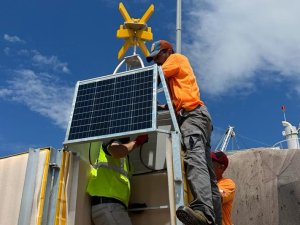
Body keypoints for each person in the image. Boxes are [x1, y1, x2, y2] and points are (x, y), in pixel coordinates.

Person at [146, 40, 222, 225]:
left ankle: (204, 212)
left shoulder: (176, 58)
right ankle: (215, 219)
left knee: (194, 160)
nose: (157, 61)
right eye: (154, 58)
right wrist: (162, 107)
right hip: (196, 116)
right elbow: (176, 101)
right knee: (206, 170)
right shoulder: (176, 80)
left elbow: (156, 76)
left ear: (168, 51)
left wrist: (131, 84)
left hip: (192, 116)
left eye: (158, 56)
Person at [86, 135, 148, 225]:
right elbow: (116, 151)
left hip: (113, 207)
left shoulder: (125, 162)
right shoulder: (110, 142)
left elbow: (117, 185)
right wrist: (137, 142)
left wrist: (129, 205)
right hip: (108, 206)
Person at [211, 151, 236, 225]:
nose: (207, 164)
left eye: (211, 162)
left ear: (221, 168)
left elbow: (217, 197)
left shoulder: (228, 183)